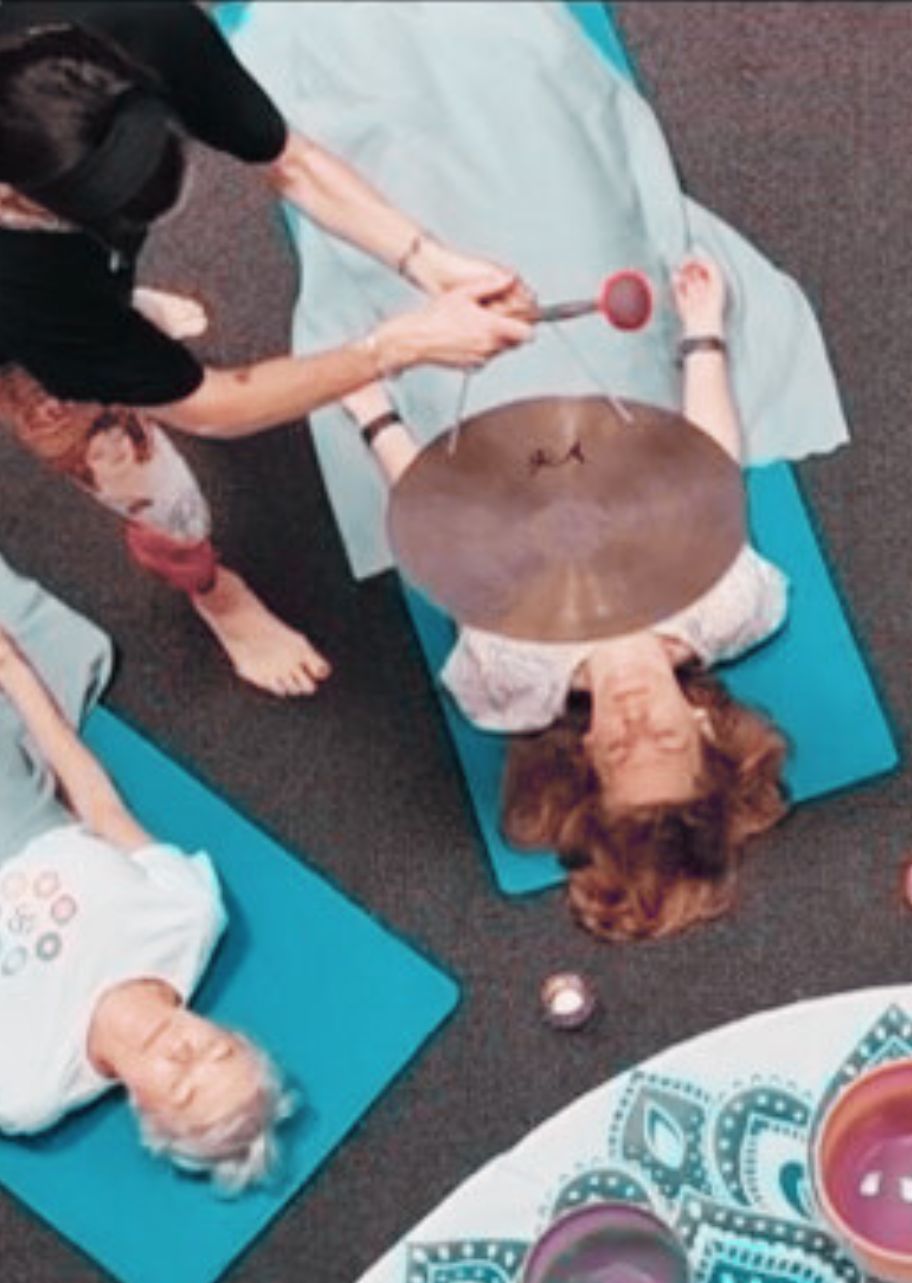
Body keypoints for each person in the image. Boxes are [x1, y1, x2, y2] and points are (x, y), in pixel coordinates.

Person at [0, 1, 534, 695]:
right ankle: (212, 590)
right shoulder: (19, 280)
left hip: (60, 274)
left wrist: (430, 261)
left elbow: (292, 162)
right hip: (26, 319)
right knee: (119, 461)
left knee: (99, 303)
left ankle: (115, 314)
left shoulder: (142, 23)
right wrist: (394, 347)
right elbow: (208, 409)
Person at [345, 254, 789, 942]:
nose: (637, 722)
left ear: (588, 753)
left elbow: (444, 524)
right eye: (663, 739)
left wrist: (371, 408)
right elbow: (708, 466)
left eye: (620, 752)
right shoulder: (731, 610)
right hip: (611, 399)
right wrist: (704, 333)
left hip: (482, 423)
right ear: (702, 726)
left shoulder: (514, 672)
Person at [0, 577, 294, 1193]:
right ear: (227, 1033)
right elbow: (100, 809)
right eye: (216, 1053)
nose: (186, 1053)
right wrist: (15, 673)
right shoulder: (189, 919)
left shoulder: (29, 1089)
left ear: (148, 1115)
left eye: (184, 1089)